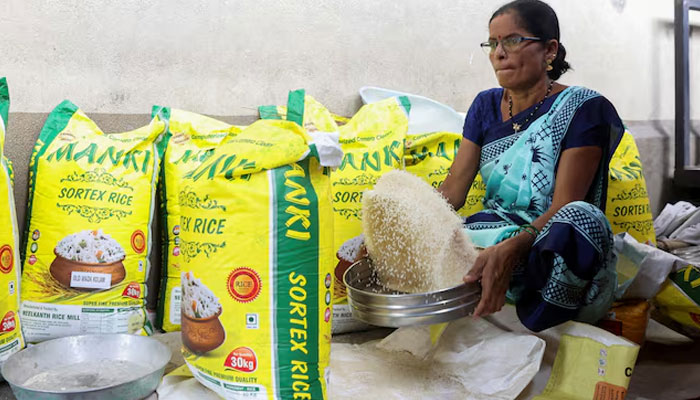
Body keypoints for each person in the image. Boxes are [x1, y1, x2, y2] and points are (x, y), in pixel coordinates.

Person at [439, 0, 625, 331]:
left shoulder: (584, 108)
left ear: (549, 50)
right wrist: (403, 219)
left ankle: (540, 324)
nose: (499, 53)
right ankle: (496, 303)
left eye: (512, 40)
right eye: (493, 43)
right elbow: (452, 193)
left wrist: (513, 247)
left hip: (550, 246)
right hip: (494, 234)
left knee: (580, 220)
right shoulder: (484, 106)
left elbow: (565, 206)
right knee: (457, 233)